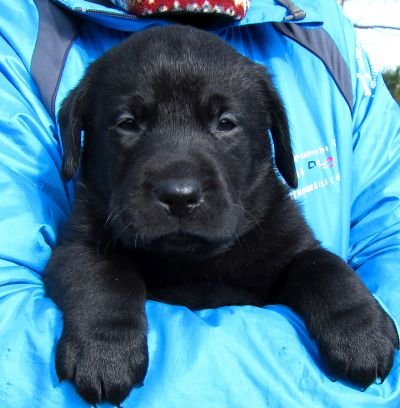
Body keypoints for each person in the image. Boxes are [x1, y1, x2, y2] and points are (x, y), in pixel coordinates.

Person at [0, 0, 399, 406]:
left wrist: (343, 306)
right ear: (78, 136)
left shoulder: (321, 34)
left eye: (225, 123)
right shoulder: (21, 34)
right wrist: (108, 323)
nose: (180, 186)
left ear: (274, 140)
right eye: (128, 123)